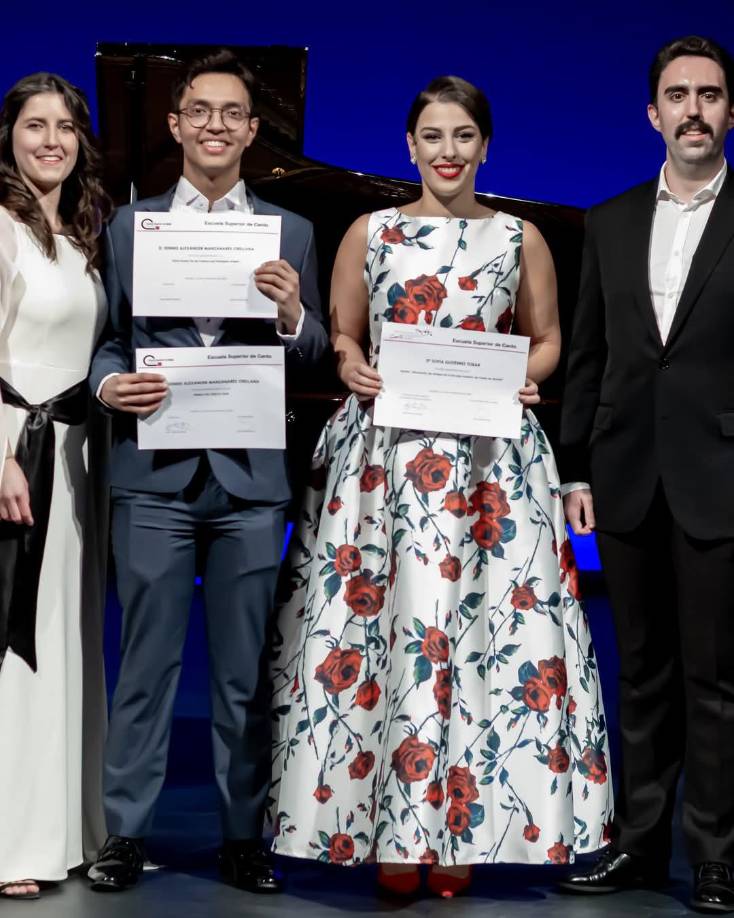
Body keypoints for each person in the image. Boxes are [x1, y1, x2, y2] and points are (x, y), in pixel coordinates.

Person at [269, 75, 613, 898]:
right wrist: (352, 365)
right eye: (433, 136)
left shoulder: (519, 237)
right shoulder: (370, 230)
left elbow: (548, 340)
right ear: (409, 146)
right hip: (385, 463)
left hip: (492, 464)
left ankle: (456, 829)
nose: (448, 151)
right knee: (386, 634)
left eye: (464, 136)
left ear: (485, 146)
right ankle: (387, 830)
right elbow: (346, 338)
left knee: (484, 641)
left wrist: (522, 377)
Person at [86, 49, 328, 894]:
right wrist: (109, 385)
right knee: (145, 669)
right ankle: (123, 834)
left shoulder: (291, 231)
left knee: (242, 678)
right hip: (153, 478)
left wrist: (296, 312)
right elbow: (107, 340)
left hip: (250, 485)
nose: (216, 126)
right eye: (201, 111)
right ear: (176, 124)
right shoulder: (129, 226)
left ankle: (242, 835)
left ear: (253, 132)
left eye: (232, 114)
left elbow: (321, 346)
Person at [559, 35, 734, 914]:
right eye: (678, 94)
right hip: (625, 476)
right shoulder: (611, 218)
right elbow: (588, 355)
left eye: (708, 94)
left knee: (714, 676)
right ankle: (637, 844)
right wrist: (574, 468)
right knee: (643, 673)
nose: (693, 109)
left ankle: (714, 854)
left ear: (730, 111)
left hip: (720, 477)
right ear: (653, 113)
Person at [0, 72, 109, 900]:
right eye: (34, 125)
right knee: (13, 643)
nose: (50, 140)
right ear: (8, 137)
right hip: (15, 453)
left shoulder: (75, 235)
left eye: (65, 126)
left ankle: (60, 830)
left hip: (73, 458)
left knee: (63, 637)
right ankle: (10, 843)